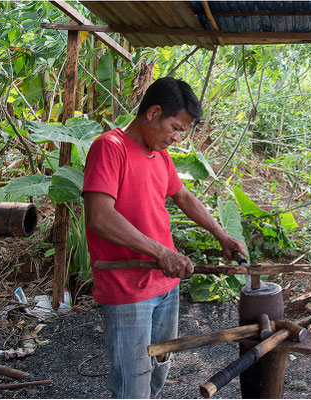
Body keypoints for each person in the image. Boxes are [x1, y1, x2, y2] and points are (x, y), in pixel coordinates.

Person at [81, 77, 245, 398]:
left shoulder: (161, 155)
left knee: (157, 373)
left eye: (182, 131)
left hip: (165, 286)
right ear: (153, 112)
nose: (176, 137)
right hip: (128, 290)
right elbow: (100, 216)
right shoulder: (110, 148)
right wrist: (161, 252)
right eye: (175, 127)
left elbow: (184, 197)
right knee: (133, 384)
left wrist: (221, 235)